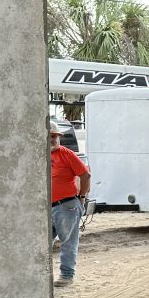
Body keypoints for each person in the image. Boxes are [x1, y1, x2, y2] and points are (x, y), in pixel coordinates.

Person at [50, 121, 91, 287]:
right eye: (50, 136)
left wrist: (82, 197)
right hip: (46, 207)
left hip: (66, 206)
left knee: (68, 242)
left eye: (55, 136)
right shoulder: (38, 156)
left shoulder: (66, 154)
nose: (53, 139)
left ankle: (66, 275)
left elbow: (85, 175)